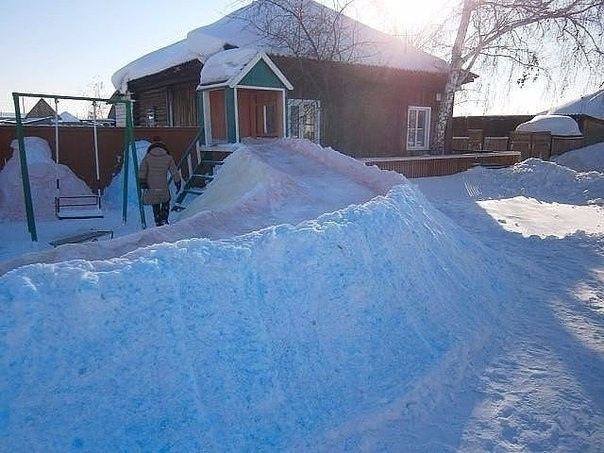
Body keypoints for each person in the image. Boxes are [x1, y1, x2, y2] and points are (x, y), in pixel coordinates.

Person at [138, 139, 181, 226]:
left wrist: (142, 181)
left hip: (151, 186)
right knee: (166, 201)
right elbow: (174, 171)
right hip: (163, 186)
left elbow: (142, 170)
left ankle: (157, 220)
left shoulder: (147, 157)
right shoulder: (168, 158)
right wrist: (178, 181)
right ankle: (164, 218)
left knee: (155, 202)